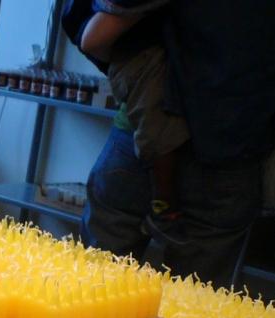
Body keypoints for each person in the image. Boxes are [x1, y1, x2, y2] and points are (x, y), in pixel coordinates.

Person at [64, 0, 275, 286]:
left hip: (144, 136)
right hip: (233, 151)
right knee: (195, 305)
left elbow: (95, 36)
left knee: (94, 290)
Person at [63, 0, 187, 243]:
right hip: (169, 131)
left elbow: (92, 41)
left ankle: (164, 206)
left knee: (99, 263)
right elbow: (91, 39)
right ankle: (164, 205)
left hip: (140, 131)